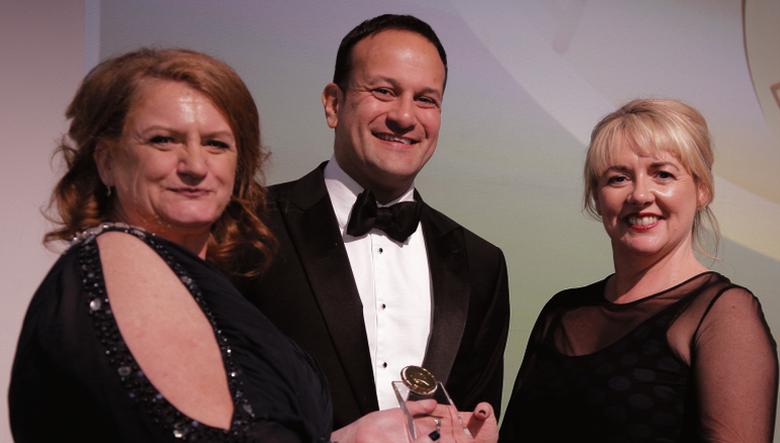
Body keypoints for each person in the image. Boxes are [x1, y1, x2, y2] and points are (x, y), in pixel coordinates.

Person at [8, 47, 496, 443]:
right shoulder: (122, 258)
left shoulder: (190, 273)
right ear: (108, 160)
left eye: (217, 144)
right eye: (163, 140)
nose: (196, 164)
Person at [236, 14, 510, 429]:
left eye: (426, 99)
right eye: (384, 91)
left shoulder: (482, 265)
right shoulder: (248, 226)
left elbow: (475, 419)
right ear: (333, 103)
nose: (404, 116)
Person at [500, 99, 778, 442]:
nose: (640, 194)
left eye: (663, 174)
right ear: (597, 198)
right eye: (618, 178)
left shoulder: (722, 315)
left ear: (702, 188)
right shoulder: (563, 312)